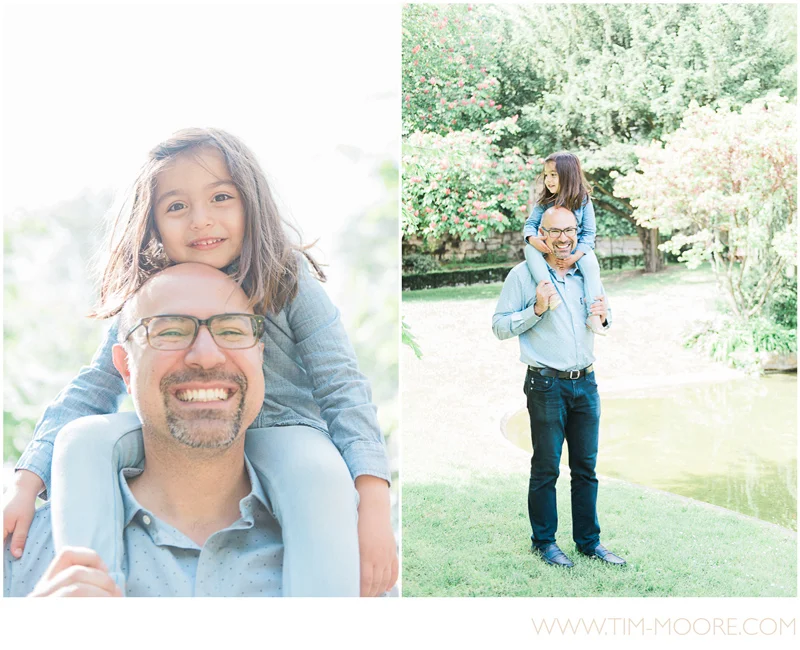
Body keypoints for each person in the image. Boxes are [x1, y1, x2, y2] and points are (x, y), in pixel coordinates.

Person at [3, 128, 397, 597]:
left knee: (319, 473)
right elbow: (95, 384)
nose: (201, 220)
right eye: (176, 206)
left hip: (288, 433)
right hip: (174, 429)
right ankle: (90, 589)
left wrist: (374, 506)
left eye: (221, 198)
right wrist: (26, 482)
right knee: (81, 439)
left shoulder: (285, 277)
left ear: (250, 203)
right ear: (151, 222)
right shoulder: (150, 297)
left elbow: (342, 386)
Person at [5, 263, 289, 596]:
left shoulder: (337, 548)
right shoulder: (22, 551)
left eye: (231, 331)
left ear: (260, 357)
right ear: (125, 368)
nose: (207, 356)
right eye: (170, 332)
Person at [492, 205, 626, 568]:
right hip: (545, 385)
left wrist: (605, 317)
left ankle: (589, 542)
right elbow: (499, 326)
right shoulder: (523, 276)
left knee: (586, 469)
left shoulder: (587, 273)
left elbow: (604, 318)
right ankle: (544, 542)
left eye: (570, 230)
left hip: (586, 383)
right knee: (546, 468)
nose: (563, 238)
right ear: (542, 235)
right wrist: (536, 309)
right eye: (555, 231)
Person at [524, 151, 605, 335]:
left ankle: (593, 314)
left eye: (553, 175)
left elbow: (589, 233)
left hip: (577, 249)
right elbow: (530, 224)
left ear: (568, 175)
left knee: (591, 264)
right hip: (550, 247)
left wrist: (575, 257)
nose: (548, 180)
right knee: (529, 250)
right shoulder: (545, 201)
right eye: (546, 175)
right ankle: (550, 293)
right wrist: (533, 239)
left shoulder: (583, 201)